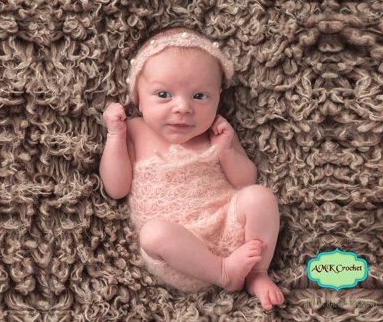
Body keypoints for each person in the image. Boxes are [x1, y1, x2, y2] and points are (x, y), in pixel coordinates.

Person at [99, 27, 284, 310]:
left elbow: (245, 181)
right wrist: (114, 135)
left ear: (218, 97)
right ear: (137, 96)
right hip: (179, 255)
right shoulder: (134, 131)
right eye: (163, 94)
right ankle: (223, 273)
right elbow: (116, 187)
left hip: (231, 234)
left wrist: (227, 149)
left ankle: (257, 274)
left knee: (259, 196)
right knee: (153, 234)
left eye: (199, 96)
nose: (183, 107)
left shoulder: (216, 132)